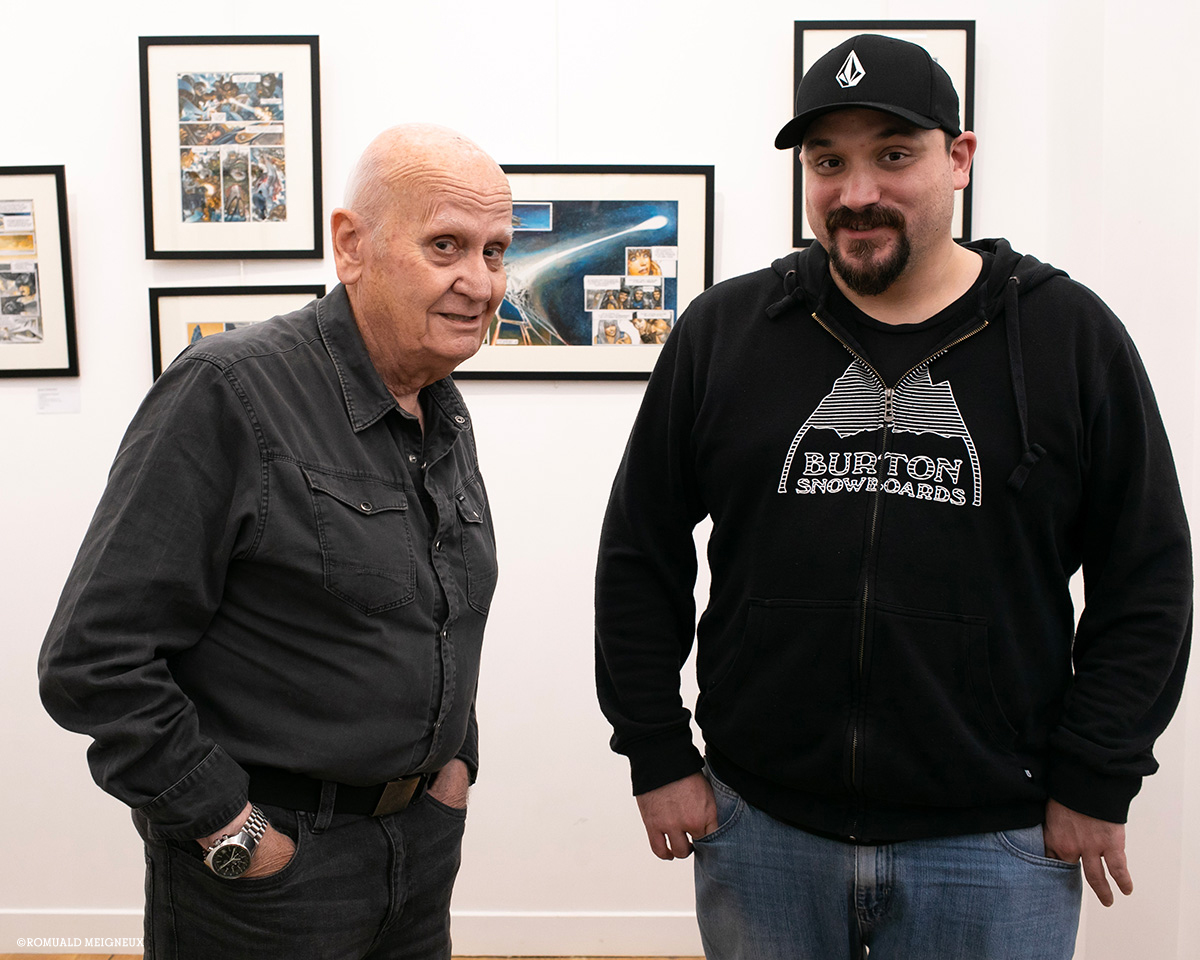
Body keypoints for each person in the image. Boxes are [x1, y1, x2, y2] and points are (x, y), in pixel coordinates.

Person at [594, 34, 1191, 960]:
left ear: (960, 159)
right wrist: (657, 750)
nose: (857, 191)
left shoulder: (1068, 337)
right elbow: (641, 551)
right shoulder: (727, 332)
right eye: (827, 161)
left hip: (995, 842)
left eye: (895, 154)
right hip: (763, 829)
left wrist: (1097, 772)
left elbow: (1146, 576)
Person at [39, 123, 512, 960]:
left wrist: (452, 772)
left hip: (420, 851)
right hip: (271, 876)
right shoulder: (229, 391)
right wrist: (235, 832)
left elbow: (438, 617)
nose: (480, 282)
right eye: (445, 245)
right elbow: (95, 659)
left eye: (496, 251)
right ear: (351, 246)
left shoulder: (439, 409)